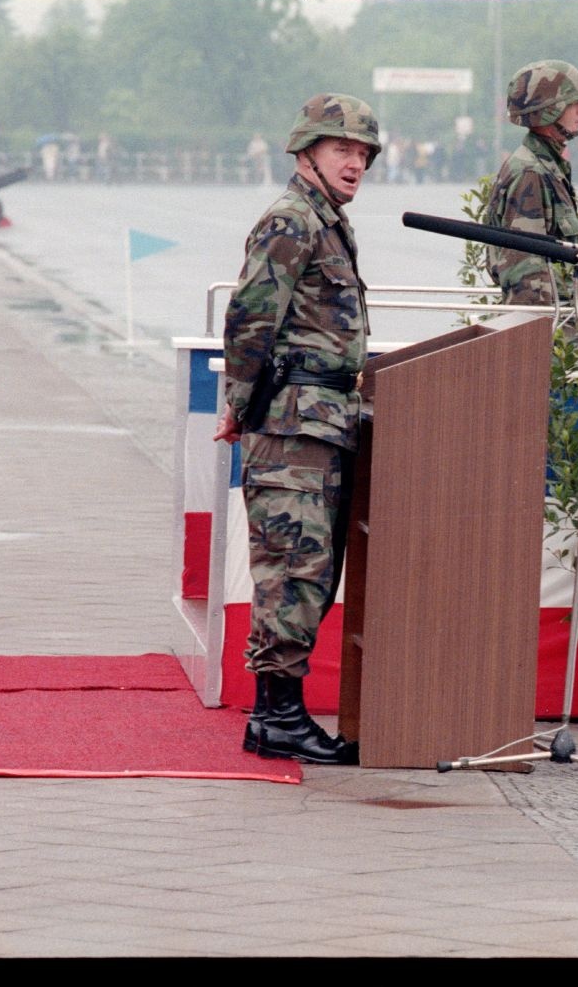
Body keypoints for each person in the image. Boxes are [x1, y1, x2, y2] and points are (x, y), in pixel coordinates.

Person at [212, 93, 380, 766]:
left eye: (364, 154)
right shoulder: (290, 220)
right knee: (293, 569)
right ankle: (277, 718)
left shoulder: (327, 222)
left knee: (310, 570)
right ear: (307, 151)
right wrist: (241, 405)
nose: (356, 163)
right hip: (290, 425)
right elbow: (251, 319)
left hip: (324, 423)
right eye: (343, 149)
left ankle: (279, 717)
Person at [484, 60, 578, 308]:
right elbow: (526, 279)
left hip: (556, 321)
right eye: (573, 102)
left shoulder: (545, 167)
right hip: (546, 329)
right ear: (551, 110)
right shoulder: (530, 173)